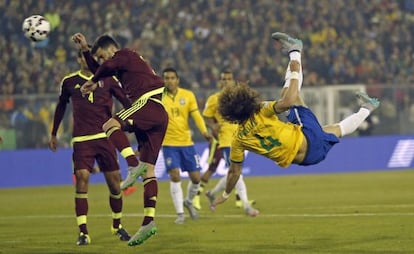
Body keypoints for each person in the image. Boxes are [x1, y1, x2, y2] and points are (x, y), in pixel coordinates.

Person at [212, 32, 380, 208]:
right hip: (306, 137)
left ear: (230, 115)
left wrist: (225, 194)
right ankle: (295, 50)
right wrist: (293, 69)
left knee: (335, 130)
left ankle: (366, 108)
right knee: (288, 96)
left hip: (310, 158)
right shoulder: (259, 109)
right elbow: (288, 101)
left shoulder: (238, 141)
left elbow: (234, 172)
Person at [72, 33, 168, 247]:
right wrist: (86, 50)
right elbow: (101, 70)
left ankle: (132, 165)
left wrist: (94, 81)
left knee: (109, 124)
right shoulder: (122, 64)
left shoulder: (124, 54)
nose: (102, 61)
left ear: (110, 50)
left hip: (147, 104)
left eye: (101, 56)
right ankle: (148, 222)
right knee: (150, 171)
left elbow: (101, 71)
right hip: (158, 114)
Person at [49, 49, 132, 245]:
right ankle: (83, 232)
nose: (86, 60)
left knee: (114, 185)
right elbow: (61, 106)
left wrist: (127, 121)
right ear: (78, 59)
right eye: (82, 56)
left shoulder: (109, 80)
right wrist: (54, 133)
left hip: (105, 138)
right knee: (82, 179)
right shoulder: (69, 81)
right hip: (82, 140)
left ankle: (117, 225)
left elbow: (126, 102)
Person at [196, 69, 258, 216]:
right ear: (220, 81)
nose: (226, 81)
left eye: (228, 79)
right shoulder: (213, 99)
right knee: (237, 173)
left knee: (233, 173)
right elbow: (206, 116)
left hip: (240, 139)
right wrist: (213, 126)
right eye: (223, 79)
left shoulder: (238, 98)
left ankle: (212, 193)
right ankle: (246, 206)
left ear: (233, 81)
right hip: (225, 141)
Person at [161, 67, 212, 224]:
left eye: (172, 78)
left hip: (187, 143)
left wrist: (204, 131)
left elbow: (196, 115)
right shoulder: (158, 96)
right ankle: (180, 214)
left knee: (196, 178)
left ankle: (188, 201)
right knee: (175, 175)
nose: (169, 80)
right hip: (168, 143)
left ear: (177, 80)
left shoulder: (188, 95)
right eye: (166, 78)